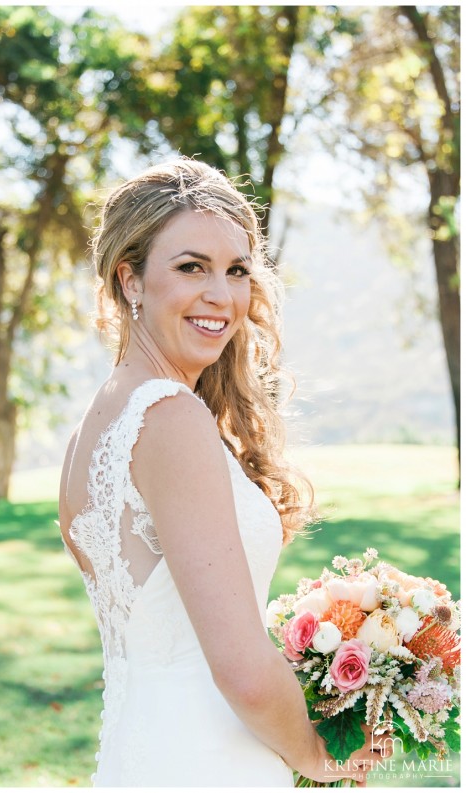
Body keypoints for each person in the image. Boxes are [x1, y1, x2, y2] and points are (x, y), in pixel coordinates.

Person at [58, 158, 383, 786]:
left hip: (139, 749)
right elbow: (239, 667)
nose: (221, 295)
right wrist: (318, 756)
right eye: (190, 267)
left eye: (236, 270)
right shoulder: (169, 415)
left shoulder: (94, 428)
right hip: (206, 760)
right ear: (130, 279)